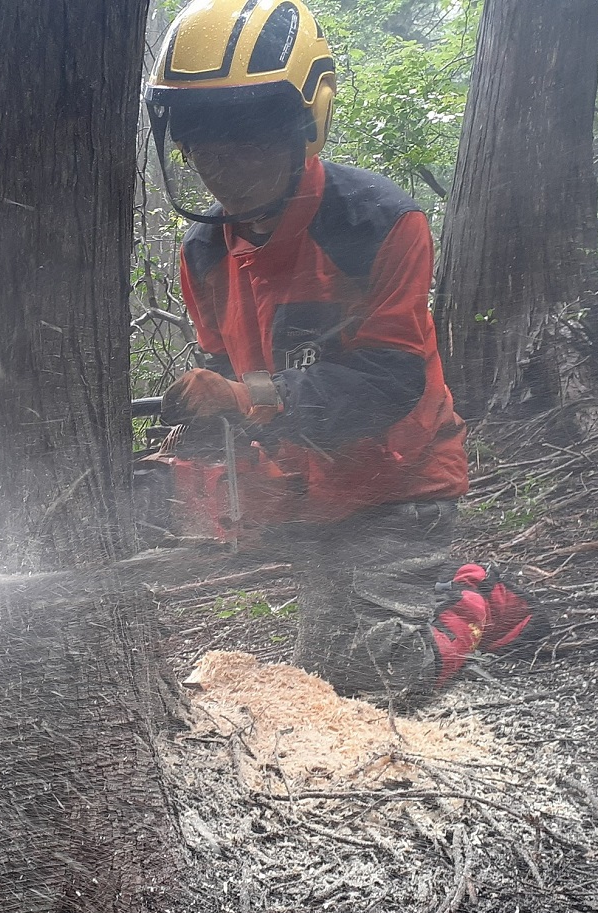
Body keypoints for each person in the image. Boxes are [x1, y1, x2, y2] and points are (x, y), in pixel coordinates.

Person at [144, 0, 541, 697]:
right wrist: (204, 416)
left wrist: (246, 397)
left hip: (397, 480)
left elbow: (387, 380)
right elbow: (223, 366)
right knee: (326, 673)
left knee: (374, 675)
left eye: (244, 135)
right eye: (200, 136)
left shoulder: (377, 224)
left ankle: (482, 598)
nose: (219, 161)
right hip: (306, 484)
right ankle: (399, 602)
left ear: (305, 121)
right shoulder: (204, 251)